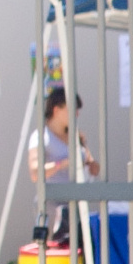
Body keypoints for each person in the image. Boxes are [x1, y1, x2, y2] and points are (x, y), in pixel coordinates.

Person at [29, 85, 91, 239]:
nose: (77, 115)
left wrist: (91, 163)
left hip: (76, 203)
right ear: (56, 110)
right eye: (72, 110)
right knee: (54, 251)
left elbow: (90, 162)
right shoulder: (41, 137)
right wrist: (61, 164)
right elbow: (35, 172)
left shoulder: (75, 136)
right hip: (52, 205)